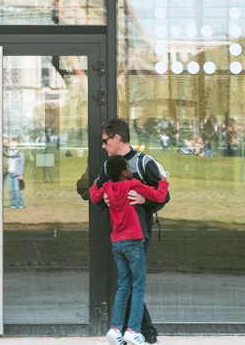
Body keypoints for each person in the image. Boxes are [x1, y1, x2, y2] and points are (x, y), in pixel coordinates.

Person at [81, 119, 167, 345]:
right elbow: (96, 195)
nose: (103, 146)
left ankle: (133, 332)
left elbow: (163, 195)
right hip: (119, 235)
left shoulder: (143, 163)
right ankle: (140, 333)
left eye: (105, 141)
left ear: (117, 138)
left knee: (129, 284)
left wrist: (144, 200)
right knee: (131, 284)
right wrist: (106, 200)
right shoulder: (109, 166)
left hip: (140, 234)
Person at [91, 153, 155, 345]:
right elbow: (157, 194)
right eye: (128, 167)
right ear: (123, 171)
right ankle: (133, 330)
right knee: (138, 286)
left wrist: (96, 184)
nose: (131, 170)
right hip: (134, 240)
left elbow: (94, 197)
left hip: (117, 242)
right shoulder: (131, 184)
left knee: (123, 286)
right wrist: (164, 183)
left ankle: (115, 329)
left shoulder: (107, 187)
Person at [5, 140, 24, 209]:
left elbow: (22, 165)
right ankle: (12, 204)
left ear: (16, 144)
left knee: (17, 190)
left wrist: (21, 174)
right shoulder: (7, 152)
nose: (12, 145)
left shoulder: (20, 153)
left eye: (13, 144)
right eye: (10, 144)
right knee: (10, 190)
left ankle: (21, 204)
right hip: (9, 174)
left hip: (16, 174)